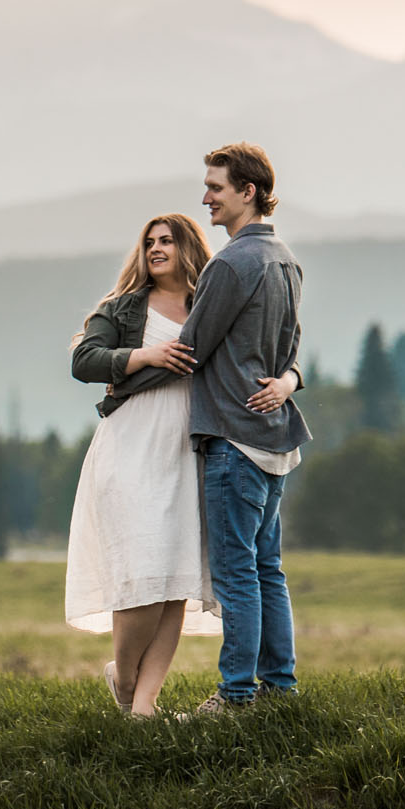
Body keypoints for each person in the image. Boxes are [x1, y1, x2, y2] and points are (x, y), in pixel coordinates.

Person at [111, 143, 308, 713]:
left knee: (236, 572)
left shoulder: (230, 265)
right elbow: (293, 350)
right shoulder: (287, 261)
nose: (206, 199)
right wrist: (290, 380)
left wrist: (121, 385)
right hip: (274, 438)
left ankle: (236, 695)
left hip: (232, 439)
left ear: (248, 191)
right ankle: (279, 687)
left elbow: (189, 350)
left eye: (216, 188)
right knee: (267, 568)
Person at [65, 213, 224, 716]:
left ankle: (144, 708)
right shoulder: (123, 307)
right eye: (149, 242)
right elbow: (84, 360)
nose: (156, 249)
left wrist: (289, 379)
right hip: (130, 447)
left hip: (188, 451)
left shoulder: (210, 306)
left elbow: (262, 347)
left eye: (167, 241)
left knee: (175, 581)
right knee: (141, 575)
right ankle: (126, 678)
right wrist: (145, 356)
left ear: (188, 248)